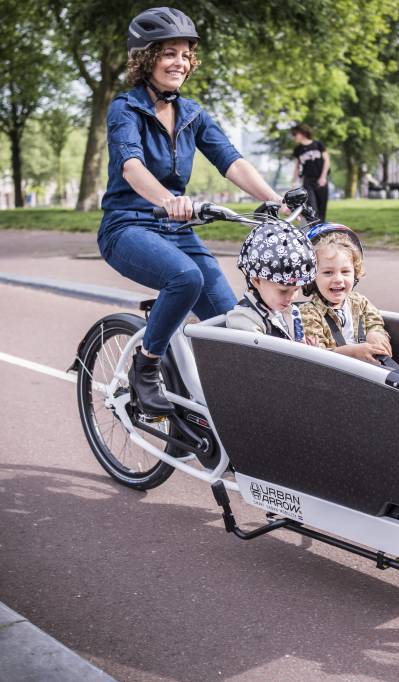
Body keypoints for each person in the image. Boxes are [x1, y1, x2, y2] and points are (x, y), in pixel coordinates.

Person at [99, 7, 285, 419]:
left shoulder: (192, 113)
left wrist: (276, 201)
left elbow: (231, 160)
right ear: (146, 59)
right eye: (168, 53)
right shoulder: (125, 109)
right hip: (128, 226)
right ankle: (146, 367)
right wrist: (167, 199)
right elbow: (131, 166)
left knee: (230, 324)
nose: (179, 62)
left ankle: (227, 414)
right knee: (185, 277)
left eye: (185, 54)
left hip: (176, 229)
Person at [299, 224, 393, 364]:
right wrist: (354, 352)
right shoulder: (309, 313)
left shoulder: (360, 302)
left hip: (374, 370)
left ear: (355, 272)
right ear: (312, 276)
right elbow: (318, 356)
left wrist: (376, 333)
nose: (338, 279)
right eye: (328, 272)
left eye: (345, 272)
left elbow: (375, 322)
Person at [226, 220, 317, 341]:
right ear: (256, 280)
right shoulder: (244, 319)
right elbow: (263, 358)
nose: (292, 297)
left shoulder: (289, 311)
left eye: (296, 289)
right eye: (283, 291)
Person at [291, 124, 330, 220]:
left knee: (321, 209)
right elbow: (297, 166)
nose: (294, 137)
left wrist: (323, 177)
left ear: (302, 134)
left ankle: (321, 232)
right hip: (307, 181)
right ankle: (314, 231)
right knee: (312, 208)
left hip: (321, 180)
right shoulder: (298, 150)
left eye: (295, 134)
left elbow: (327, 160)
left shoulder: (318, 144)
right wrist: (293, 181)